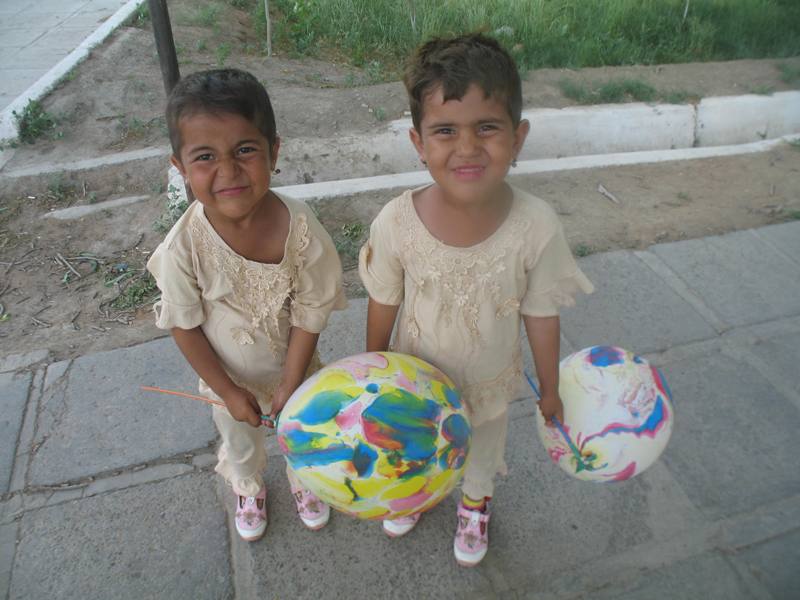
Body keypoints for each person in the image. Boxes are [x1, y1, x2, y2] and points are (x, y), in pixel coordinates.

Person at [358, 34, 593, 566]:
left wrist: (550, 388)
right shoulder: (398, 221)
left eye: (487, 127)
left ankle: (474, 502)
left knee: (483, 452)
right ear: (419, 143)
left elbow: (541, 312)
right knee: (409, 444)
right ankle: (411, 492)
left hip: (489, 385)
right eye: (445, 131)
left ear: (518, 137)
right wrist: (371, 375)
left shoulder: (536, 226)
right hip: (414, 381)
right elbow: (383, 300)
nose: (467, 148)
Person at [147, 69, 346, 542]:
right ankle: (249, 484)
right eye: (205, 157)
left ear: (274, 151)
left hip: (298, 366)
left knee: (304, 430)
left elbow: (312, 307)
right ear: (180, 167)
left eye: (245, 150)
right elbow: (185, 327)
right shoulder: (183, 249)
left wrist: (293, 379)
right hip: (227, 379)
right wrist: (229, 392)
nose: (228, 171)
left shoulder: (299, 227)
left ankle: (305, 477)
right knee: (239, 440)